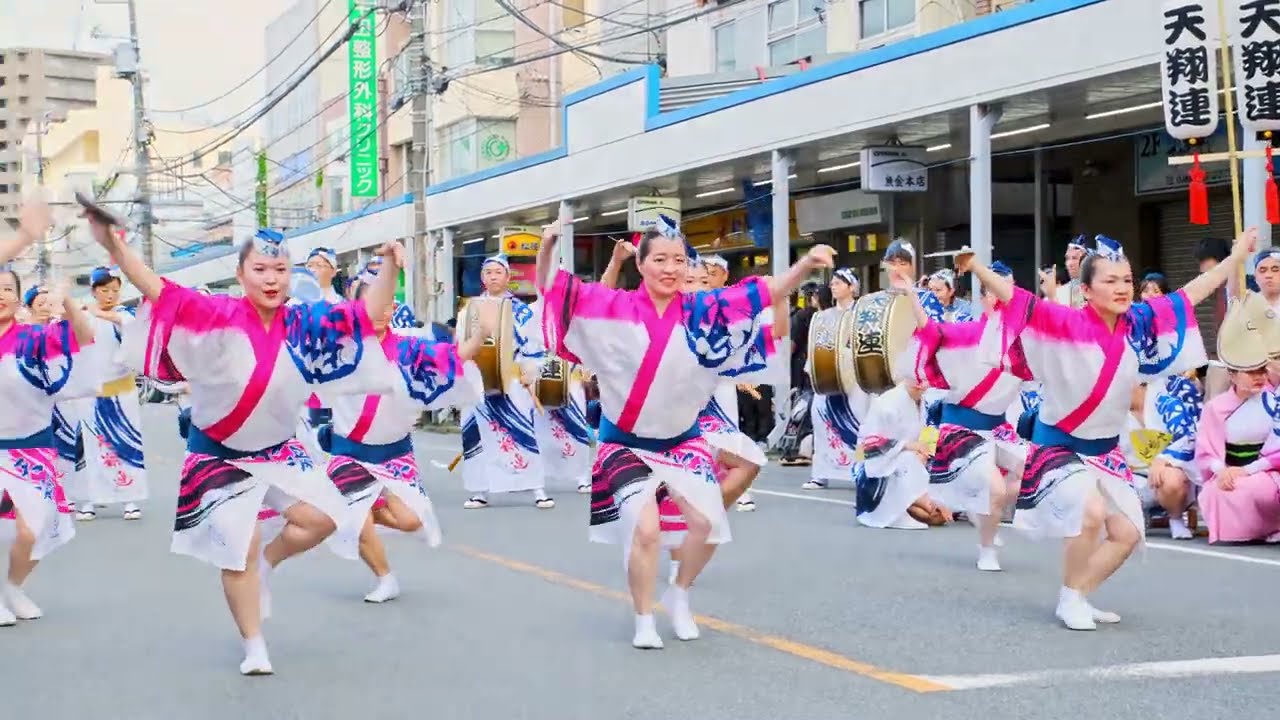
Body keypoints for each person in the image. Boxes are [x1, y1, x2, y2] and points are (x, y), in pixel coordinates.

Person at [97, 214, 402, 675]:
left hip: (278, 449)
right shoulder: (216, 313)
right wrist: (116, 247)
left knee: (325, 518)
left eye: (280, 270)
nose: (271, 279)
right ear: (241, 275)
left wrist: (390, 266)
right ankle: (254, 645)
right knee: (237, 549)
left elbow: (365, 315)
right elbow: (159, 289)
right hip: (217, 454)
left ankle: (268, 562)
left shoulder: (305, 322)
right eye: (260, 269)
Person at [535, 215, 829, 649]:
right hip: (625, 443)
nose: (670, 268)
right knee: (646, 530)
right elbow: (553, 287)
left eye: (678, 260)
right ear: (641, 263)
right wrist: (547, 246)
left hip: (681, 441)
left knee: (708, 524)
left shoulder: (703, 312)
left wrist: (804, 265)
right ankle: (643, 619)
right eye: (659, 259)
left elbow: (762, 293)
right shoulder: (612, 307)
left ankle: (679, 593)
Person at [961, 230, 1250, 630]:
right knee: (1090, 512)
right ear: (1086, 290)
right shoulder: (1063, 320)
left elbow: (1191, 293)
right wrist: (976, 267)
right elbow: (1016, 298)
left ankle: (1075, 594)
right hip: (1058, 446)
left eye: (1127, 280)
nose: (1122, 288)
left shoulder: (1140, 322)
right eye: (1110, 281)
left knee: (1127, 534)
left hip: (1104, 450)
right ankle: (1070, 599)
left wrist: (1235, 258)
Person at [321, 278, 490, 603]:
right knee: (356, 518)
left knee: (411, 521)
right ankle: (385, 578)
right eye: (372, 304)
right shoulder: (340, 345)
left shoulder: (409, 348)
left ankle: (362, 506)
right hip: (348, 450)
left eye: (388, 305)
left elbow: (453, 358)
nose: (381, 311)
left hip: (393, 452)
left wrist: (480, 334)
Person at [0, 201, 97, 626]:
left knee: (34, 529)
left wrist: (69, 302)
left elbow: (84, 339)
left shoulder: (34, 339)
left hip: (33, 448)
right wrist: (24, 235)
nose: (0, 295)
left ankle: (12, 587)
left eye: (7, 288)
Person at [906, 261, 1026, 569]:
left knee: (1037, 474)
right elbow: (930, 331)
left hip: (997, 427)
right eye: (996, 291)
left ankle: (981, 508)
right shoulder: (965, 334)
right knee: (994, 489)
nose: (1005, 297)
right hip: (961, 426)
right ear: (984, 298)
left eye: (1010, 290)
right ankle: (987, 548)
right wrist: (910, 292)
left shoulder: (1023, 340)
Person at [460, 254, 554, 510]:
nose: (493, 277)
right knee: (477, 434)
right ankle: (480, 490)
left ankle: (536, 488)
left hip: (511, 380)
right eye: (488, 272)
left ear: (507, 277)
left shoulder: (521, 310)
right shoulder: (470, 309)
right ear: (482, 277)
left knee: (522, 431)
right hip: (478, 381)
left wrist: (529, 370)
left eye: (498, 272)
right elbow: (461, 345)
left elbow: (534, 345)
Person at [76, 265, 147, 521]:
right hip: (89, 395)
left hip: (121, 394)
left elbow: (134, 331)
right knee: (91, 448)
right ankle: (90, 501)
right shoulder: (83, 318)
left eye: (115, 290)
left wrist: (104, 315)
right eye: (105, 290)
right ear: (94, 291)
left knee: (125, 444)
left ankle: (130, 499)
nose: (110, 295)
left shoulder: (124, 315)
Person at [1193, 353, 1280, 544]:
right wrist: (1222, 471)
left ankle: (1274, 526)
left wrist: (1249, 470)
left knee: (1257, 488)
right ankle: (1247, 531)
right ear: (1232, 375)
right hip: (1230, 469)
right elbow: (1205, 450)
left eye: (1262, 371)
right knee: (1216, 491)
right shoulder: (1215, 407)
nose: (1259, 377)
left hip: (1268, 469)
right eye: (1251, 372)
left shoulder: (1274, 403)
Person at [802, 267, 869, 490]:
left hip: (855, 379)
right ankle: (821, 474)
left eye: (838, 283)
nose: (833, 286)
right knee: (822, 423)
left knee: (859, 424)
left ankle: (861, 471)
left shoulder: (862, 314)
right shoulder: (824, 316)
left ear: (852, 287)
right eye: (832, 283)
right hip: (828, 376)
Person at [854, 376, 951, 530]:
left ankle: (915, 504)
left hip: (910, 467)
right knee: (908, 460)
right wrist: (906, 446)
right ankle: (910, 505)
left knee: (937, 517)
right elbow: (866, 448)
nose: (919, 382)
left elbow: (929, 442)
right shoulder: (887, 403)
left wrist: (924, 454)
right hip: (877, 470)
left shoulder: (928, 403)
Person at [1054, 237, 1088, 308]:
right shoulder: (1059, 294)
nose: (1069, 263)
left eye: (1075, 258)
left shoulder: (1100, 291)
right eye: (1067, 258)